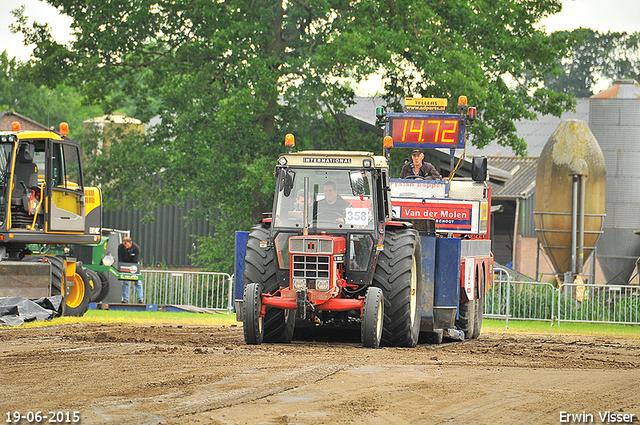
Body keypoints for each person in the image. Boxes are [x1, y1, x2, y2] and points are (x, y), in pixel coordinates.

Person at [118, 236, 143, 304]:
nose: (126, 246)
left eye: (127, 245)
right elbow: (120, 258)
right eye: (124, 244)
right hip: (124, 264)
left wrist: (132, 268)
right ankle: (125, 298)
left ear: (130, 243)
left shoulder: (136, 248)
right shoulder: (120, 247)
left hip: (134, 265)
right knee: (125, 281)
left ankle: (140, 299)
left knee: (138, 282)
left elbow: (135, 259)